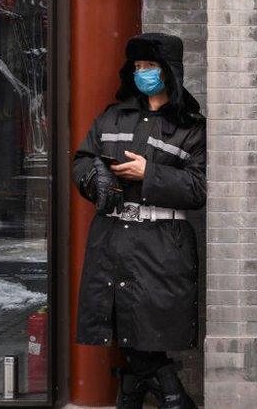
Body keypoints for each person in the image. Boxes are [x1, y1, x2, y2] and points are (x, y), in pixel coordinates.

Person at [72, 33, 205, 409]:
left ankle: (147, 391)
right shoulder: (112, 116)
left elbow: (198, 189)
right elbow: (83, 158)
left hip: (162, 242)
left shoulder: (191, 126)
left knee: (147, 327)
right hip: (112, 237)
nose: (142, 73)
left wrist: (149, 173)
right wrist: (93, 174)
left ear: (170, 72)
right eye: (137, 67)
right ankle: (162, 392)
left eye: (150, 66)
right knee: (121, 322)